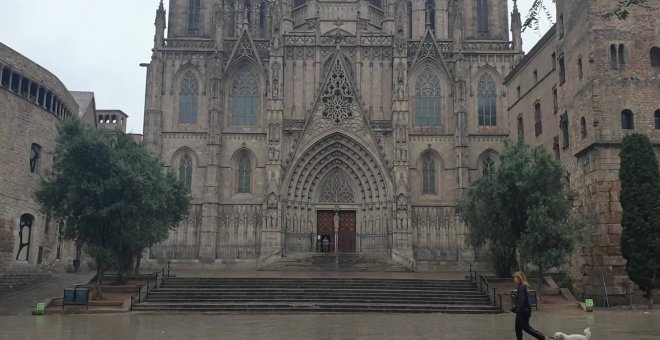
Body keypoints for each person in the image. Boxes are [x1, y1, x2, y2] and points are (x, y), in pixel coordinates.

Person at [512, 271, 547, 340]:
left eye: (515, 277)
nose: (514, 279)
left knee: (526, 328)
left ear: (519, 278)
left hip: (523, 312)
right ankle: (542, 337)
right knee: (518, 328)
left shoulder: (521, 287)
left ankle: (542, 337)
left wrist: (517, 310)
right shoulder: (521, 286)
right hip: (523, 311)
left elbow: (521, 301)